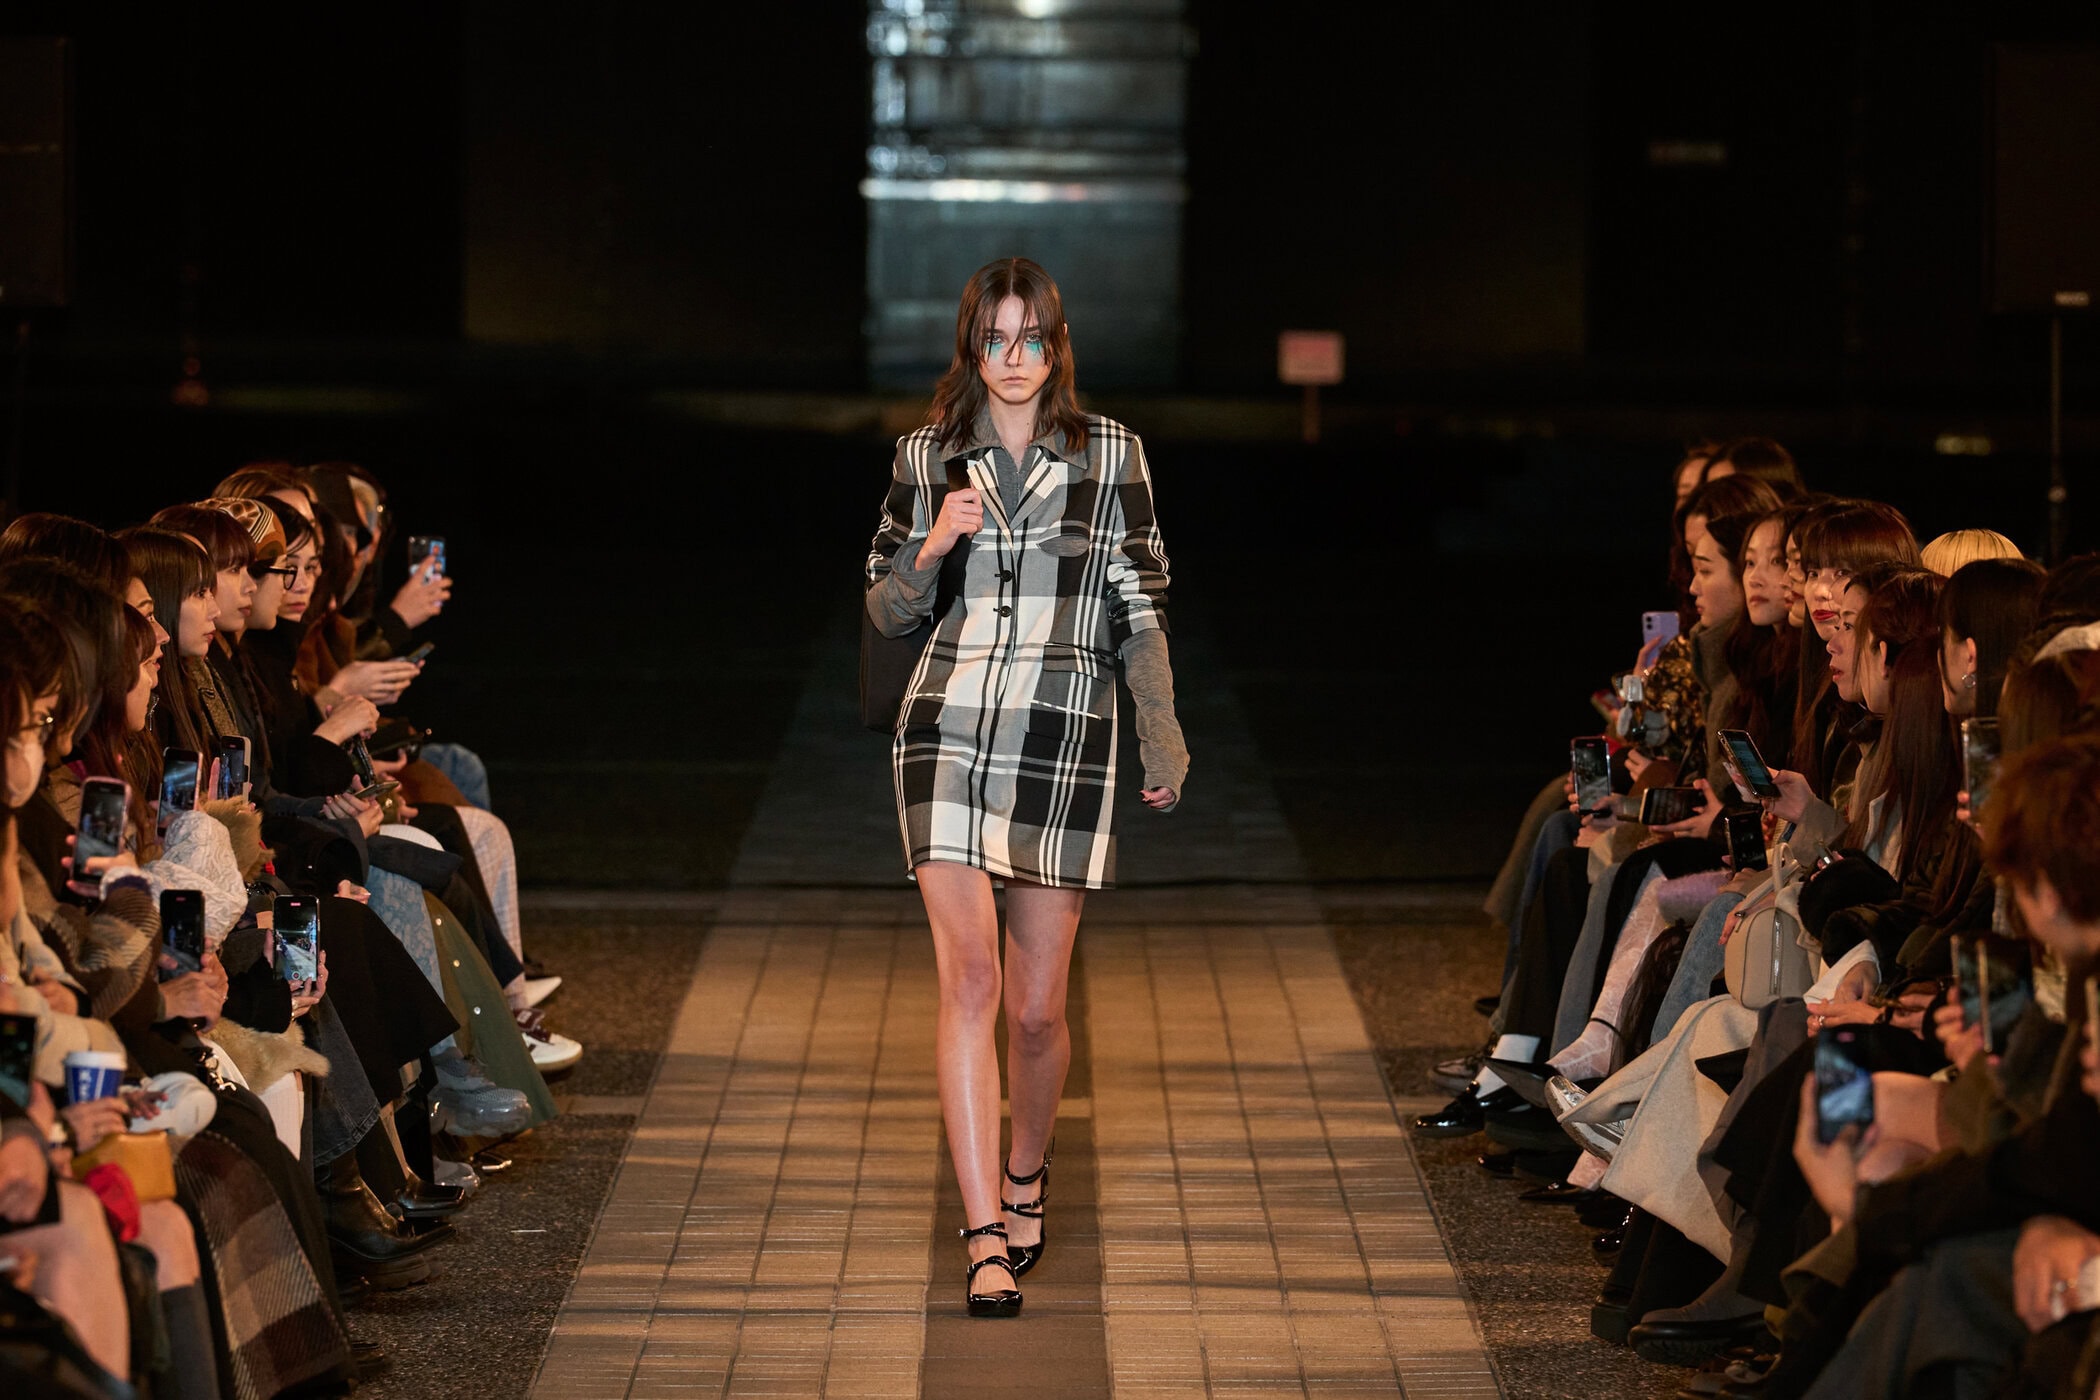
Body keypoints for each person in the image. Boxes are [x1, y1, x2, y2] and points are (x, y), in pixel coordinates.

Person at [863, 257, 1188, 1316]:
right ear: (972, 346)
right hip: (944, 727)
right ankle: (983, 1236)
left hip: (1065, 730)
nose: (1014, 357)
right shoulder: (926, 455)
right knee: (971, 982)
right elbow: (886, 609)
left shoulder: (1112, 453)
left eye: (1031, 337)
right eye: (996, 338)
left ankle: (1026, 1174)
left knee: (1039, 1010)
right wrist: (932, 541)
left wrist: (1161, 730)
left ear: (1057, 346)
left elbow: (1141, 599)